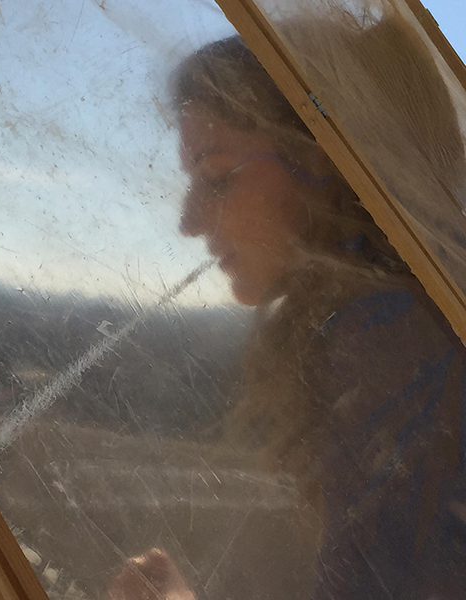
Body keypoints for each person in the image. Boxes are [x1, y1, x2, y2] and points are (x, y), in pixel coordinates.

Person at [108, 11, 466, 600]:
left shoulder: (389, 341)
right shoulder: (411, 309)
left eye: (218, 177)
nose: (188, 221)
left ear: (321, 161)